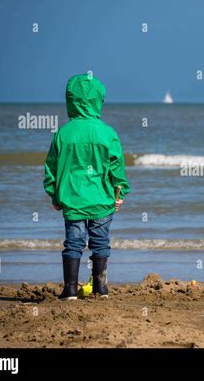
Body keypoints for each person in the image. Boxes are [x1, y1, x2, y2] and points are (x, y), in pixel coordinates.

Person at [43, 74, 130, 300]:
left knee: (73, 242)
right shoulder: (107, 132)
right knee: (100, 242)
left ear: (70, 100)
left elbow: (51, 167)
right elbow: (116, 167)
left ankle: (70, 289)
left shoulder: (63, 133)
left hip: (73, 199)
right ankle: (101, 288)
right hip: (102, 199)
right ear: (97, 101)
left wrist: (54, 194)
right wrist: (119, 191)